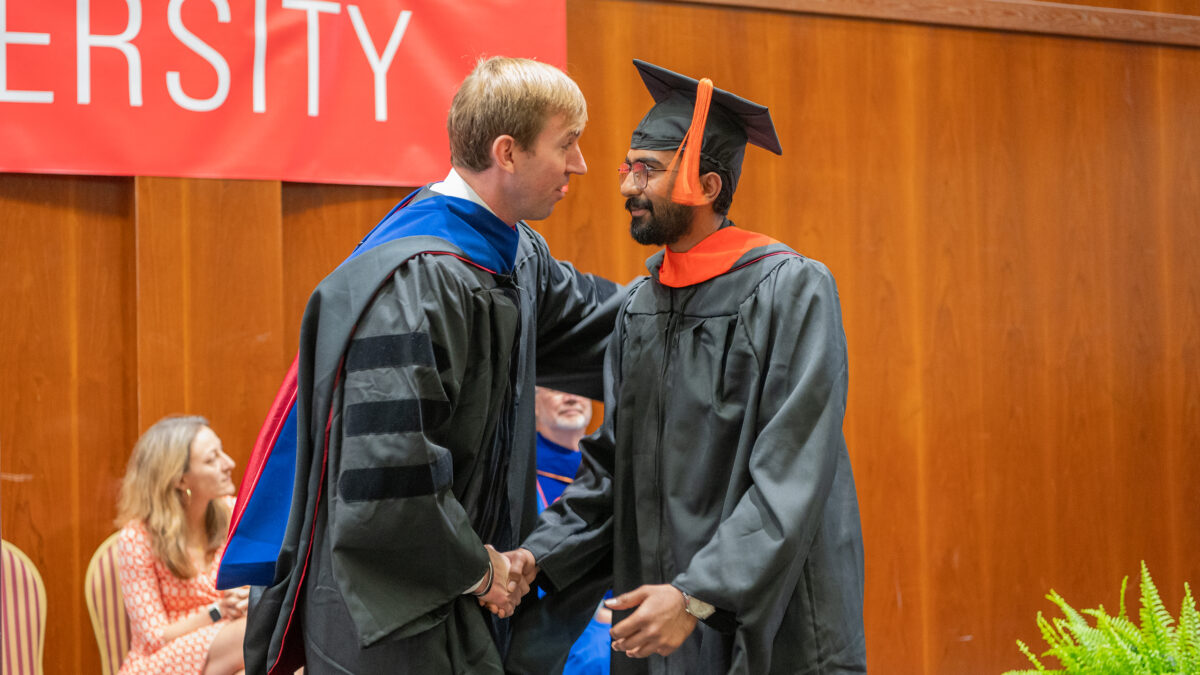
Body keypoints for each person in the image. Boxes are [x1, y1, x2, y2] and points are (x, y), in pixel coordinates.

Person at [243, 56, 621, 675]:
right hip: (395, 623)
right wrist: (480, 569)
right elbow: (388, 477)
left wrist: (696, 300)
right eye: (567, 144)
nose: (579, 164)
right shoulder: (419, 283)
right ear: (508, 151)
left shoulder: (512, 253)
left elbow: (598, 321)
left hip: (465, 607)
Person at [509, 60, 867, 674]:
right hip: (661, 615)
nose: (626, 186)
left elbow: (791, 474)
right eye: (627, 167)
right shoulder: (641, 308)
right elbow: (612, 472)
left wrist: (699, 593)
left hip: (765, 619)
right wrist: (536, 557)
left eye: (646, 170)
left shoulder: (791, 291)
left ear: (705, 186)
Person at [115, 415, 249, 675]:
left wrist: (249, 597)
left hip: (229, 656)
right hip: (162, 660)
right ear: (180, 480)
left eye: (222, 452)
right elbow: (155, 637)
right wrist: (218, 610)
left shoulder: (234, 513)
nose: (229, 463)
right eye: (212, 459)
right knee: (256, 632)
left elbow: (266, 583)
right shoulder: (137, 539)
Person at [532, 387, 611, 675]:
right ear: (533, 405)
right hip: (557, 629)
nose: (571, 397)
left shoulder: (611, 474)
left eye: (578, 390)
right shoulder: (520, 475)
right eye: (555, 389)